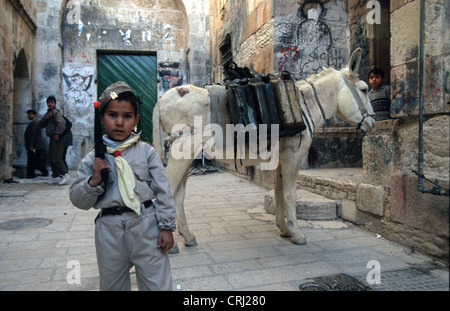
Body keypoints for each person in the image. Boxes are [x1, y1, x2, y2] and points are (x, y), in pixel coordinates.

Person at [69, 81, 176, 291]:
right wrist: (93, 182)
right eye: (112, 115)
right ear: (101, 118)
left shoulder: (147, 152)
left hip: (146, 226)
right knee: (112, 285)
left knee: (158, 285)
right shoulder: (92, 158)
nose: (119, 122)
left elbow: (164, 191)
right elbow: (77, 200)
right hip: (109, 230)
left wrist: (166, 226)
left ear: (135, 120)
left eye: (126, 116)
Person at [39, 96, 70, 185]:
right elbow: (41, 124)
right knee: (51, 158)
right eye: (48, 102)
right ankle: (55, 176)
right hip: (52, 138)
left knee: (57, 158)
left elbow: (61, 124)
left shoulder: (56, 113)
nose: (50, 104)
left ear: (55, 103)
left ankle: (64, 174)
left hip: (58, 138)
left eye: (52, 102)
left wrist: (57, 133)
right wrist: (46, 118)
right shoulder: (48, 114)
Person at [24, 109, 49, 178]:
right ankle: (32, 174)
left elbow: (33, 135)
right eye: (29, 114)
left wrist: (31, 145)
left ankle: (40, 173)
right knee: (34, 161)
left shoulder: (34, 123)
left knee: (33, 161)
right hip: (35, 146)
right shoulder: (34, 122)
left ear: (34, 115)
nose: (29, 116)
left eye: (31, 114)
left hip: (35, 146)